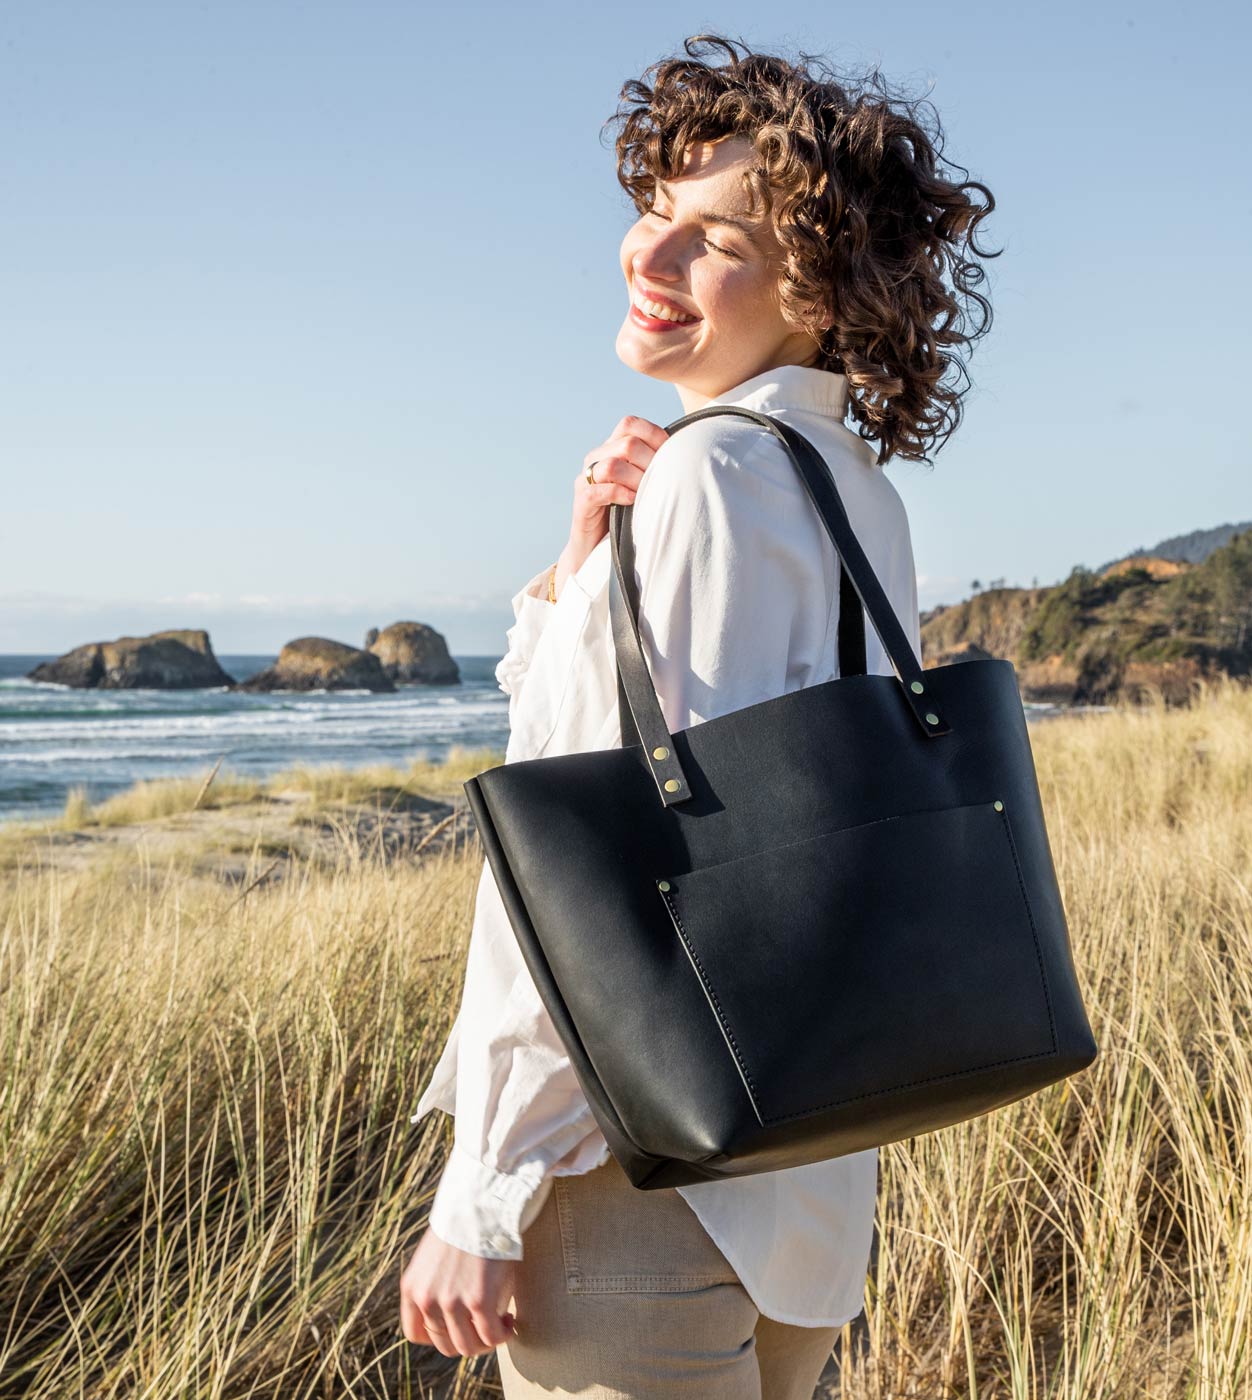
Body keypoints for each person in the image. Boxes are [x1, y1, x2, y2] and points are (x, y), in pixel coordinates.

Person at [399, 33, 996, 1399]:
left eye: (715, 239)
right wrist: (584, 559)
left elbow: (605, 864)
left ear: (825, 292)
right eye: (659, 213)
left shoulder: (715, 480)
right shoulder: (849, 488)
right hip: (802, 1182)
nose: (650, 258)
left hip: (634, 1178)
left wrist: (486, 1194)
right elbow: (716, 788)